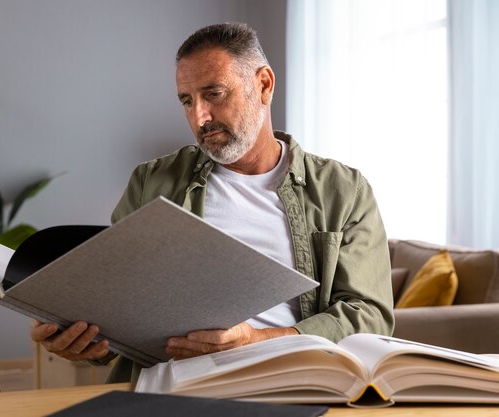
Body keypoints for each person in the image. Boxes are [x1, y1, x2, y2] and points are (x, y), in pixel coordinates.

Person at [31, 22, 394, 383]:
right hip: (170, 385)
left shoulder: (344, 190)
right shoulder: (152, 181)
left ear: (264, 85)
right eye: (187, 101)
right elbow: (119, 304)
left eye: (214, 94)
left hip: (291, 382)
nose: (199, 117)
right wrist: (86, 340)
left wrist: (258, 342)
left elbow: (370, 316)